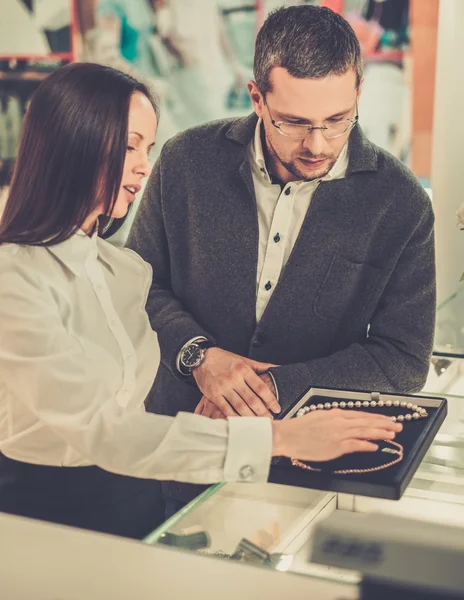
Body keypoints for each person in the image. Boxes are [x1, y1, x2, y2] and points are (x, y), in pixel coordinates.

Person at [0, 62, 401, 540]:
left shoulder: (123, 270)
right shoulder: (14, 279)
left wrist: (220, 398)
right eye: (129, 146)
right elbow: (102, 431)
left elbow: (135, 413)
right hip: (43, 517)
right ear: (72, 143)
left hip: (142, 497)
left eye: (146, 148)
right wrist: (281, 437)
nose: (144, 166)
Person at [126, 4, 435, 516]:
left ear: (358, 93)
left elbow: (402, 358)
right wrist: (199, 356)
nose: (318, 145)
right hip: (175, 446)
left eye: (337, 121)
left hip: (312, 474)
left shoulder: (399, 201)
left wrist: (269, 388)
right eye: (294, 122)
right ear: (257, 97)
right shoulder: (185, 161)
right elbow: (137, 286)